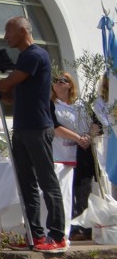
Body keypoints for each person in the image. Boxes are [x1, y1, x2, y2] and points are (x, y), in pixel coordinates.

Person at [0, 16, 65, 252]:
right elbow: (11, 94)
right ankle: (35, 236)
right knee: (26, 183)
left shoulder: (34, 55)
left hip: (38, 128)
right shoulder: (24, 58)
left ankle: (57, 236)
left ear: (22, 31)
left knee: (47, 182)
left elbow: (8, 83)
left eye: (8, 31)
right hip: (21, 128)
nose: (4, 37)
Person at [51, 72, 90, 241]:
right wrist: (78, 138)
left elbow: (95, 123)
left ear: (70, 85)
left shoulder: (81, 105)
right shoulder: (51, 104)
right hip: (61, 154)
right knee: (66, 191)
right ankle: (69, 228)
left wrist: (89, 136)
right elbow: (55, 127)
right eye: (56, 81)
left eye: (63, 81)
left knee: (83, 192)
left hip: (82, 154)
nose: (58, 83)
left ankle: (85, 227)